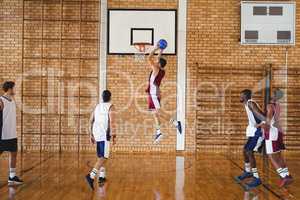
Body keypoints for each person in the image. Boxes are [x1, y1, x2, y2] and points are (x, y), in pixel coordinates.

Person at [256, 89, 293, 187]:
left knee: (271, 155)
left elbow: (268, 121)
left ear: (275, 96)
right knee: (279, 155)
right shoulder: (278, 105)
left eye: (273, 93)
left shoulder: (270, 106)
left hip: (272, 132)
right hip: (279, 131)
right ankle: (287, 175)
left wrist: (261, 126)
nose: (271, 93)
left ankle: (283, 176)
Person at [147, 45, 182, 144]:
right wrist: (161, 50)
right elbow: (158, 59)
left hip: (153, 94)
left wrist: (155, 48)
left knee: (158, 112)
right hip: (154, 93)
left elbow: (149, 57)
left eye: (157, 61)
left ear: (158, 64)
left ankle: (175, 123)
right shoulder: (161, 70)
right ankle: (159, 132)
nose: (156, 61)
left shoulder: (155, 69)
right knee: (154, 113)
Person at [85, 90, 116, 190]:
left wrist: (90, 135)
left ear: (102, 97)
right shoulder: (111, 106)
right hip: (104, 134)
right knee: (104, 157)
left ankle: (102, 177)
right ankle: (91, 176)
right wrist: (114, 135)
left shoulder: (97, 106)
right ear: (110, 97)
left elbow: (90, 121)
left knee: (100, 156)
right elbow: (112, 122)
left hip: (96, 133)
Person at [235, 89, 265, 190]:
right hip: (254, 132)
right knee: (245, 150)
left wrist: (262, 123)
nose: (239, 97)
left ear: (244, 96)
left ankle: (256, 178)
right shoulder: (248, 104)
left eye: (241, 95)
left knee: (249, 152)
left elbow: (262, 116)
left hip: (260, 131)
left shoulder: (250, 103)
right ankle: (248, 172)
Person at [0, 81, 24, 185]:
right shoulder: (1, 100)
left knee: (14, 154)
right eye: (14, 88)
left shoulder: (12, 100)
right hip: (3, 133)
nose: (15, 89)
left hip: (12, 133)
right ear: (9, 89)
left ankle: (12, 176)